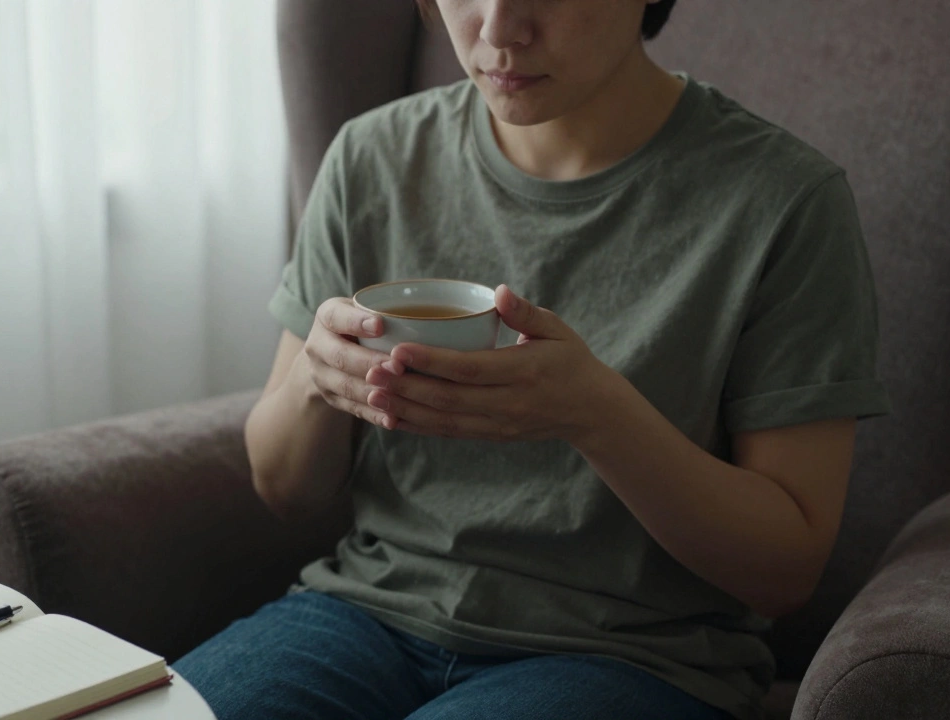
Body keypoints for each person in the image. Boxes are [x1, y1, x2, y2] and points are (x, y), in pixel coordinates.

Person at [174, 0, 891, 718]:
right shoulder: (374, 158)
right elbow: (283, 485)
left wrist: (594, 413)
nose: (498, 31)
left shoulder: (784, 202)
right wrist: (317, 380)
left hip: (633, 657)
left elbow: (785, 571)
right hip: (365, 617)